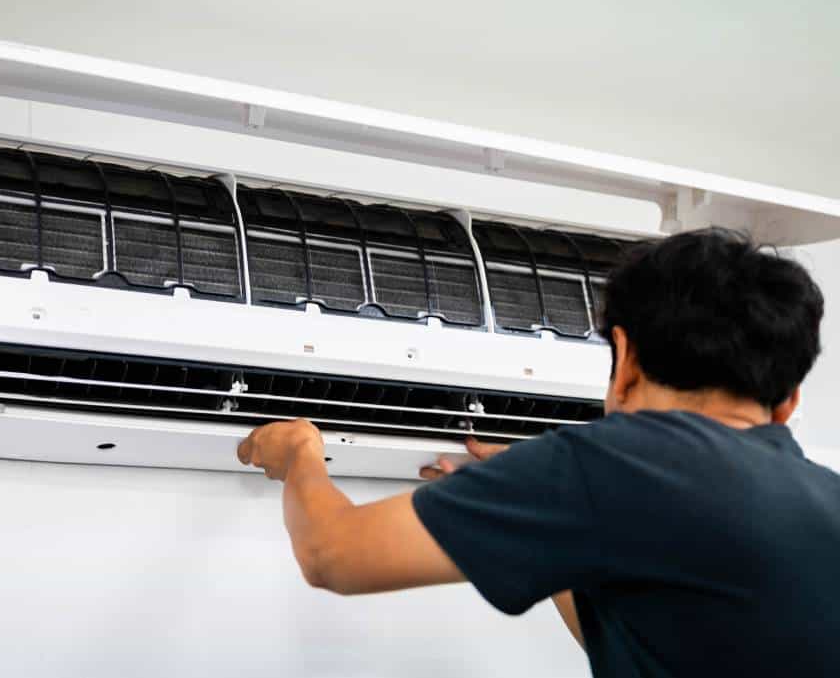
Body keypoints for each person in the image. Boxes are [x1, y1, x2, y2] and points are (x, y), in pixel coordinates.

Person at [236, 228, 840, 677]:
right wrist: (544, 524)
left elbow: (333, 554)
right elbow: (654, 643)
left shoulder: (614, 464)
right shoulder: (827, 499)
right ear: (788, 399)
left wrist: (299, 453)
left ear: (626, 357)